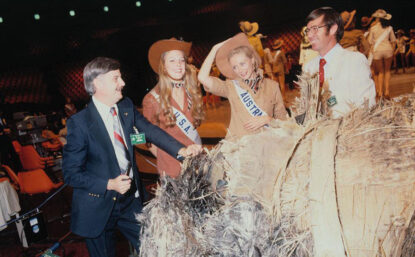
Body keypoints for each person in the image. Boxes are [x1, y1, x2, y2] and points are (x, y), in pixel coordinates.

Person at [62, 57, 202, 257]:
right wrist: (109, 184)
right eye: (116, 78)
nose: (123, 83)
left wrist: (181, 150)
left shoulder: (126, 106)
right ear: (97, 83)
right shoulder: (79, 123)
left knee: (156, 250)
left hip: (130, 201)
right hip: (98, 206)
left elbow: (152, 131)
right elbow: (70, 174)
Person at [198, 33, 287, 140]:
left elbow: (284, 121)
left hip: (267, 145)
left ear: (252, 60)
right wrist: (215, 49)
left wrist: (269, 120)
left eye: (242, 64)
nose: (240, 70)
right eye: (235, 67)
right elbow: (202, 77)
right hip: (240, 148)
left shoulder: (273, 86)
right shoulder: (231, 86)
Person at [142, 38, 204, 178]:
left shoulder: (191, 93)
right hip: (172, 172)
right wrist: (166, 158)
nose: (178, 65)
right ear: (163, 66)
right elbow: (140, 138)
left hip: (197, 166)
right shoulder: (151, 99)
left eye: (181, 60)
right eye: (172, 61)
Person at [302, 7, 376, 118]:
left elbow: (367, 106)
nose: (309, 35)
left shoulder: (354, 61)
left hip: (348, 130)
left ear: (332, 29)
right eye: (308, 30)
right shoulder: (308, 68)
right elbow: (306, 109)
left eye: (315, 28)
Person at [368, 9, 396, 99]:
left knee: (380, 72)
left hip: (377, 51)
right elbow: (393, 41)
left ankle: (380, 92)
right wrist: (393, 50)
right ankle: (387, 91)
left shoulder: (373, 28)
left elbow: (370, 41)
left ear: (378, 19)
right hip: (388, 50)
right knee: (387, 71)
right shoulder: (389, 28)